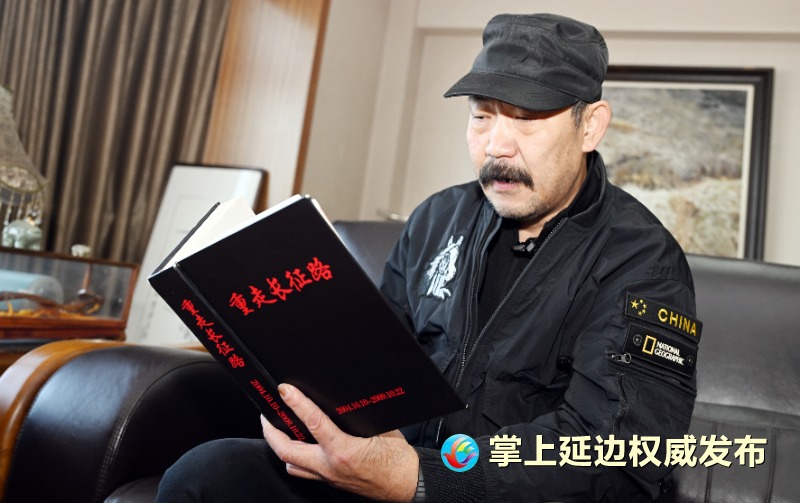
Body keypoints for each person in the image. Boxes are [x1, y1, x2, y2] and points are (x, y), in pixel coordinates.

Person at [156, 13, 699, 502]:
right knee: (207, 474)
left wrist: (422, 478)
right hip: (382, 471)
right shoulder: (438, 218)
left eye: (526, 119)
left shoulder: (642, 262)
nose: (497, 145)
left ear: (590, 126)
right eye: (482, 117)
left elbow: (621, 455)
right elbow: (372, 358)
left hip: (488, 493)